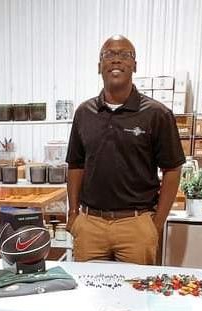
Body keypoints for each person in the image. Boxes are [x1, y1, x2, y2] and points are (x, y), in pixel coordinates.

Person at [66, 35, 185, 264]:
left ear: (135, 65)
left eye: (124, 54)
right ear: (99, 66)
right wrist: (73, 214)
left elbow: (172, 170)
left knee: (136, 288)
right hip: (90, 225)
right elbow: (75, 165)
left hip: (136, 226)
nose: (116, 60)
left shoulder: (157, 114)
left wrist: (156, 223)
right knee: (86, 287)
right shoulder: (84, 113)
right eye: (109, 54)